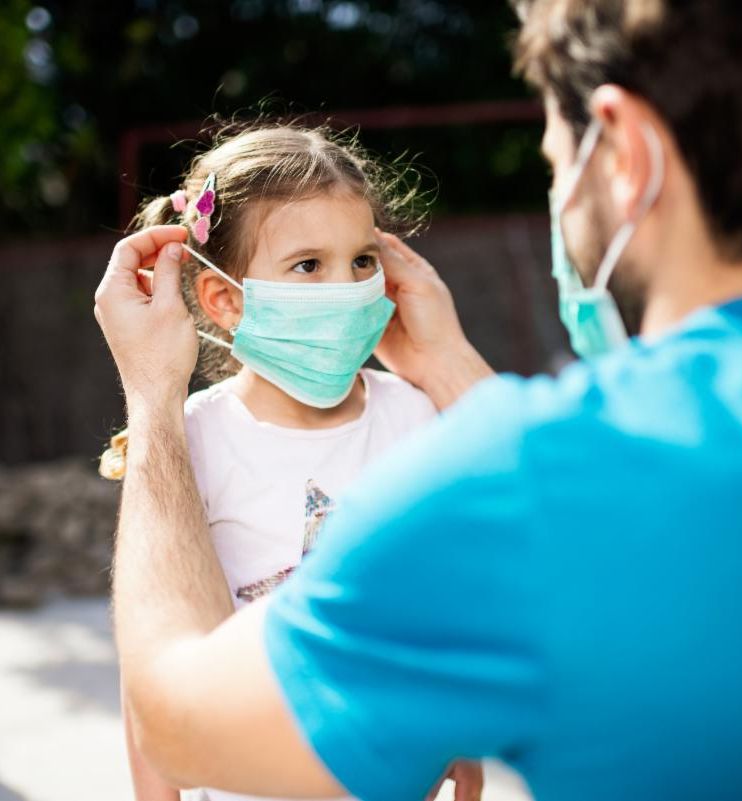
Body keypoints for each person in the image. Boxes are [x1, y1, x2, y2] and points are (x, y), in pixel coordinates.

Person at [94, 1, 742, 800]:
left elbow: (176, 715)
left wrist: (150, 394)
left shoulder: (517, 474)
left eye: (553, 161)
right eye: (308, 265)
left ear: (624, 154)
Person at [97, 123, 483, 801]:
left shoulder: (417, 414)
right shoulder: (187, 443)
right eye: (308, 265)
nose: (348, 287)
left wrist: (459, 737)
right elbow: (150, 660)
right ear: (225, 299)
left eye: (362, 260)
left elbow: (450, 603)